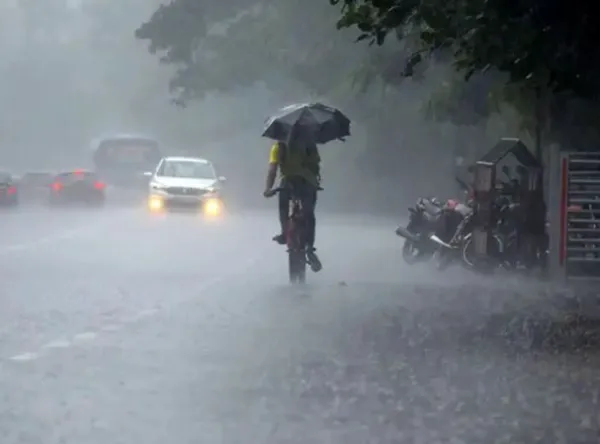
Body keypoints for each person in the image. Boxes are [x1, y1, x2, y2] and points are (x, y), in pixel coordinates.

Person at [263, 129, 321, 262]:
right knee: (309, 212)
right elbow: (316, 166)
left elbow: (272, 170)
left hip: (288, 183)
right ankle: (310, 246)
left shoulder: (278, 147)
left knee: (283, 207)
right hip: (307, 183)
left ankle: (284, 232)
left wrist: (268, 189)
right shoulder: (310, 145)